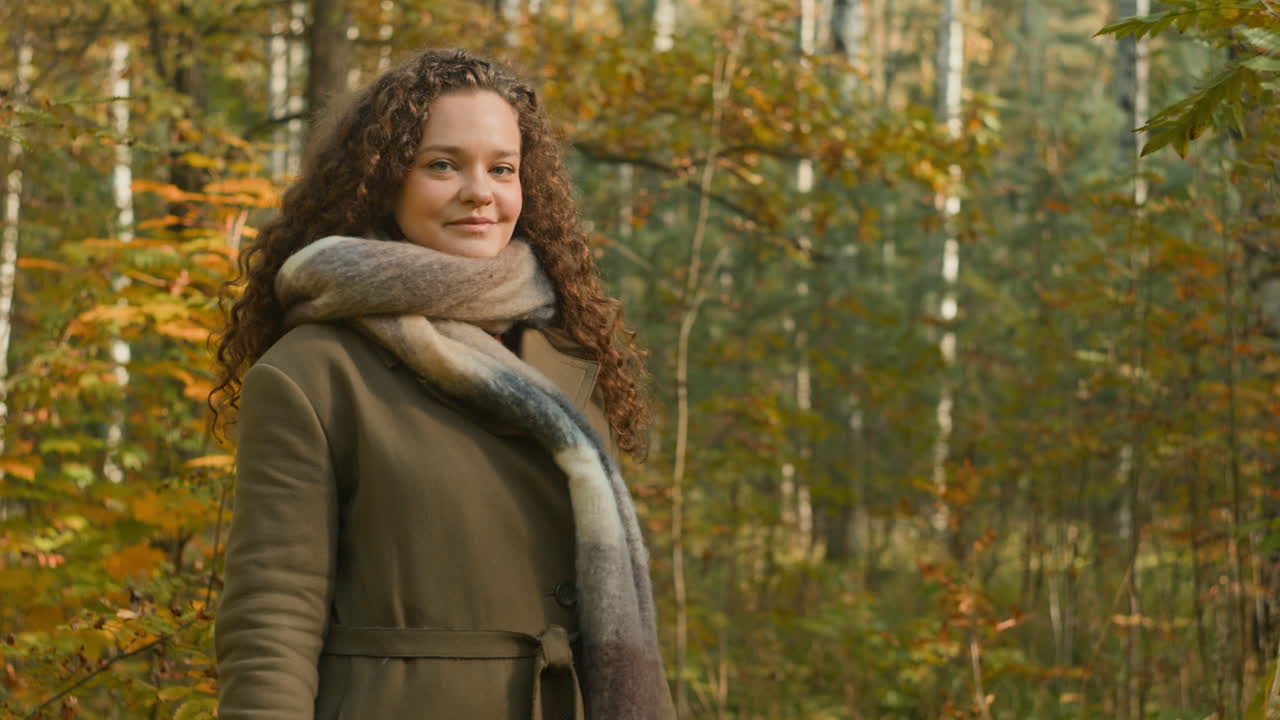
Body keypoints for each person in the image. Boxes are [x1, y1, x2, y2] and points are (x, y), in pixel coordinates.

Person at [210, 48, 675, 720]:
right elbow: (271, 621)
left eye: (502, 168)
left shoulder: (567, 354)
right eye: (442, 165)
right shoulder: (313, 371)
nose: (480, 192)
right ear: (381, 181)